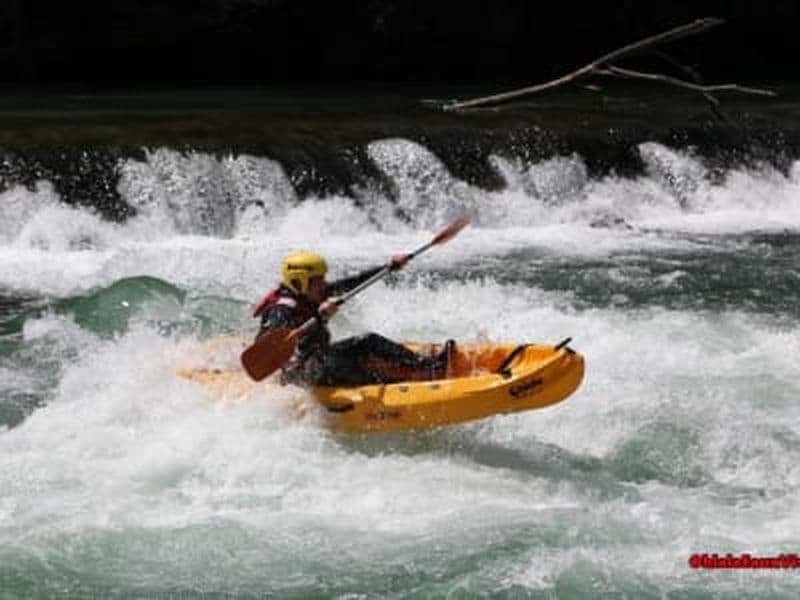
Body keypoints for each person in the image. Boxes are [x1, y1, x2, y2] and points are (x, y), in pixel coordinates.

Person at [252, 251, 454, 386]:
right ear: (299, 282)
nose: (324, 285)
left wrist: (388, 267)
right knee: (334, 363)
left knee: (367, 340)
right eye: (318, 281)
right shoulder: (282, 310)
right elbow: (269, 352)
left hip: (317, 359)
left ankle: (427, 365)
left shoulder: (309, 292)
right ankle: (396, 384)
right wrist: (319, 320)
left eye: (323, 279)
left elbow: (352, 283)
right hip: (297, 375)